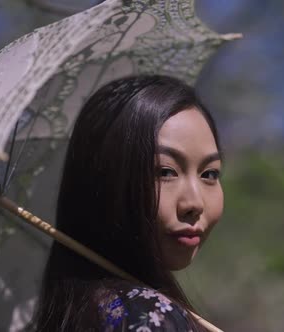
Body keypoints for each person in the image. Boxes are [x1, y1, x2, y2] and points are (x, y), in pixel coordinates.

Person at [31, 75, 224, 331]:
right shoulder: (150, 315)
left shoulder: (86, 312)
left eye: (209, 174)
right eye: (165, 172)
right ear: (105, 180)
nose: (194, 202)